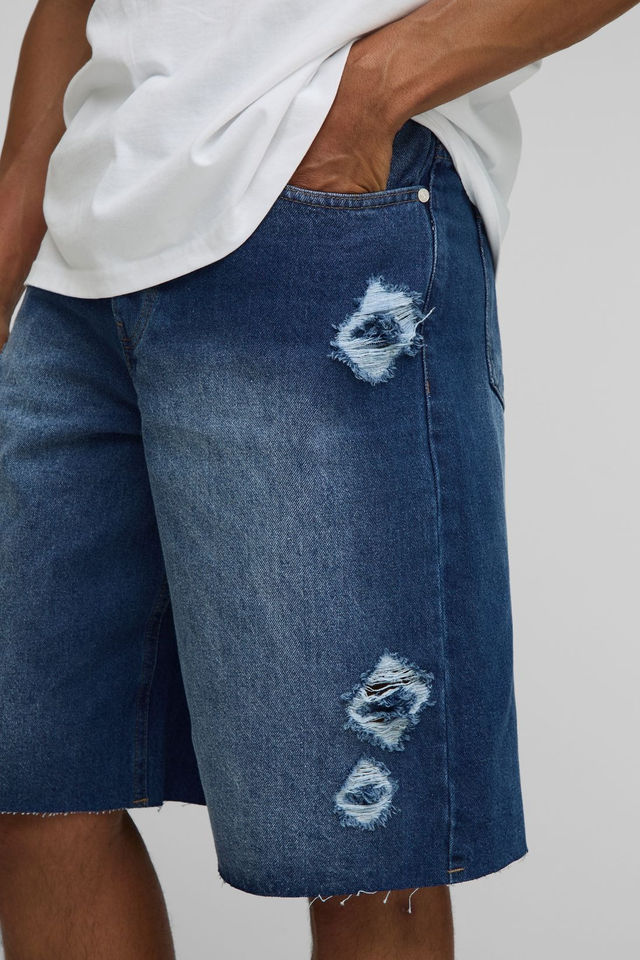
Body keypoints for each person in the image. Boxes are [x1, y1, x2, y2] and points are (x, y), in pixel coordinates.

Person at [0, 2, 635, 958]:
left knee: (368, 847)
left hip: (313, 222)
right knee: (33, 786)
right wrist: (14, 220)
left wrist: (367, 98)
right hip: (81, 244)